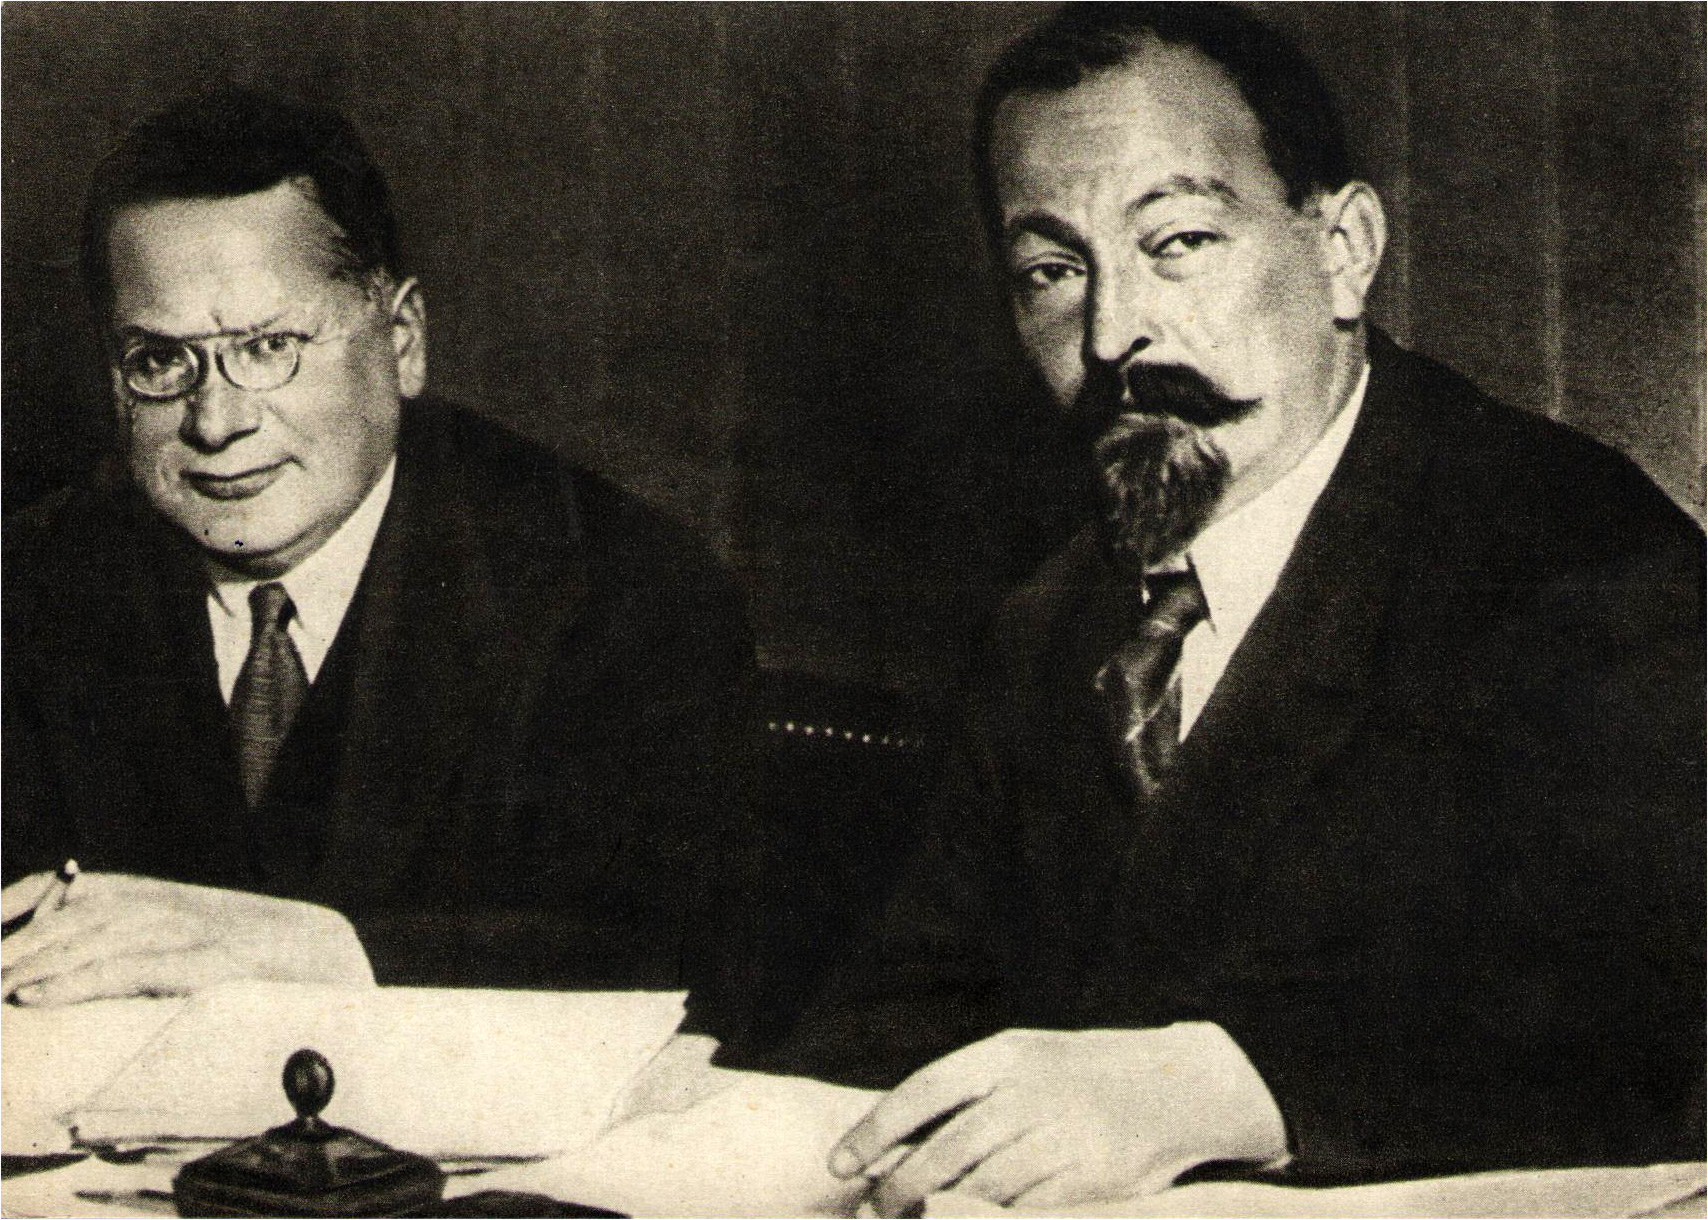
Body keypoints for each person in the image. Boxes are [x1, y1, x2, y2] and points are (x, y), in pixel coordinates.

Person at [744, 5, 1704, 1212]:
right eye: (1052, 270)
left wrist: (1224, 1089)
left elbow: (1656, 1022)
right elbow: (907, 999)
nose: (1113, 334)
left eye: (1179, 242)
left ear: (1343, 250)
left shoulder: (1573, 555)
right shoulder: (1051, 621)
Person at [2, 87, 760, 1015]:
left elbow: (676, 962)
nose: (216, 421)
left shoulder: (624, 594)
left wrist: (323, 952)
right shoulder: (32, 586)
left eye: (268, 346)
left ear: (402, 342)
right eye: (160, 361)